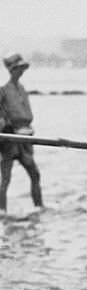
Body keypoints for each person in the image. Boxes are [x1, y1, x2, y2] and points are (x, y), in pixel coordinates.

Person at [0, 53, 44, 215]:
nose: (20, 72)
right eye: (18, 69)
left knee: (34, 174)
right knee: (6, 178)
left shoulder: (22, 89)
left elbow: (26, 113)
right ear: (13, 70)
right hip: (10, 139)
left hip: (25, 138)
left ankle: (39, 207)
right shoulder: (4, 91)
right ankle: (2, 211)